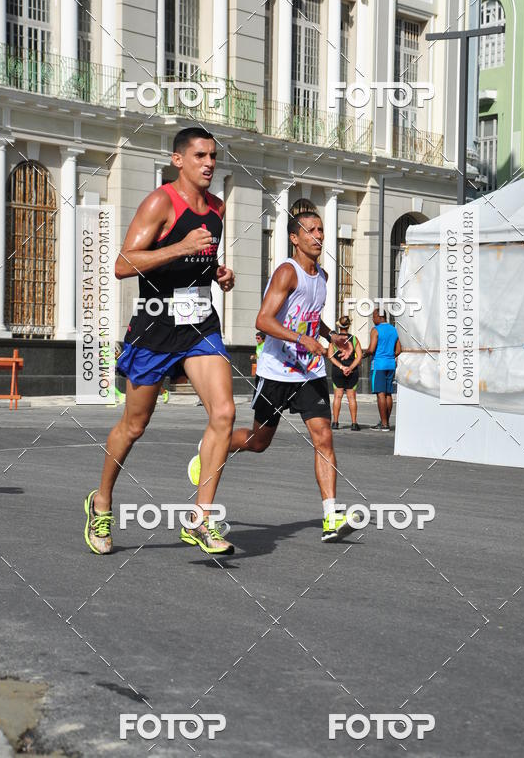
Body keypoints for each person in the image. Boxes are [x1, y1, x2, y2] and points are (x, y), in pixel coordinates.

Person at [84, 127, 237, 557]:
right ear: (178, 160)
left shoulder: (218, 208)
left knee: (224, 412)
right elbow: (122, 264)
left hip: (200, 325)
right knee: (134, 426)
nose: (209, 163)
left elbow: (201, 260)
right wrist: (180, 247)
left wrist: (219, 274)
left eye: (213, 156)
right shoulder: (160, 202)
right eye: (200, 156)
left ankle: (201, 518)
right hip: (155, 326)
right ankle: (101, 502)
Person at [188, 208, 360, 542]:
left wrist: (330, 336)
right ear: (295, 238)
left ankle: (331, 516)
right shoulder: (286, 272)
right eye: (310, 230)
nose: (318, 236)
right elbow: (263, 320)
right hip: (276, 371)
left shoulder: (322, 277)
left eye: (321, 230)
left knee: (324, 436)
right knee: (258, 442)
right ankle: (210, 447)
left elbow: (310, 317)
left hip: (308, 372)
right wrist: (301, 339)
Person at [365, 309, 401, 432]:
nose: (372, 319)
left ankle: (384, 424)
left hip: (379, 365)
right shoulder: (394, 329)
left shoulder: (375, 330)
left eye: (373, 316)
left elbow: (371, 349)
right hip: (391, 364)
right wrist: (389, 355)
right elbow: (398, 350)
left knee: (380, 394)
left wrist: (363, 355)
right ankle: (386, 421)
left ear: (379, 317)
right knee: (388, 393)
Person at [328, 316, 362, 431]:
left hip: (338, 370)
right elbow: (359, 356)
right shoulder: (354, 339)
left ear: (338, 326)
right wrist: (350, 368)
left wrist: (342, 367)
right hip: (352, 370)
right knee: (351, 397)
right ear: (349, 326)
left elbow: (330, 356)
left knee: (337, 396)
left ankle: (335, 422)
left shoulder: (334, 340)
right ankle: (354, 423)